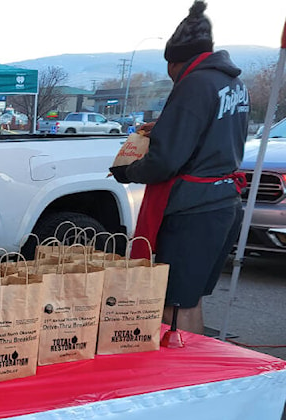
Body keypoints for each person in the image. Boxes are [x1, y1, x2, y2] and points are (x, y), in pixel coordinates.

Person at [109, 1, 249, 335]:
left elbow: (165, 161)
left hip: (193, 209)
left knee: (173, 304)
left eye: (169, 67)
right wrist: (168, 125)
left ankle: (179, 379)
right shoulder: (232, 82)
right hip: (223, 202)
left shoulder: (194, 84)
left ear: (175, 61)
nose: (170, 75)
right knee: (192, 299)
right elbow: (209, 133)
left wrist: (128, 172)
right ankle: (197, 372)